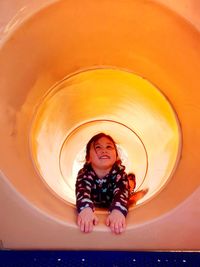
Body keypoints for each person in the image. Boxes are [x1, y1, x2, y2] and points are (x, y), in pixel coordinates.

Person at [75, 132, 147, 234]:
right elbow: (82, 191)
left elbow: (121, 192)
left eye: (109, 147)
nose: (104, 150)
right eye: (98, 147)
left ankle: (130, 184)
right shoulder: (84, 174)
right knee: (126, 192)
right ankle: (130, 183)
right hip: (96, 204)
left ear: (116, 156)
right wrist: (85, 209)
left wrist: (118, 211)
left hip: (115, 197)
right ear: (88, 158)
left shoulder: (119, 174)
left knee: (127, 195)